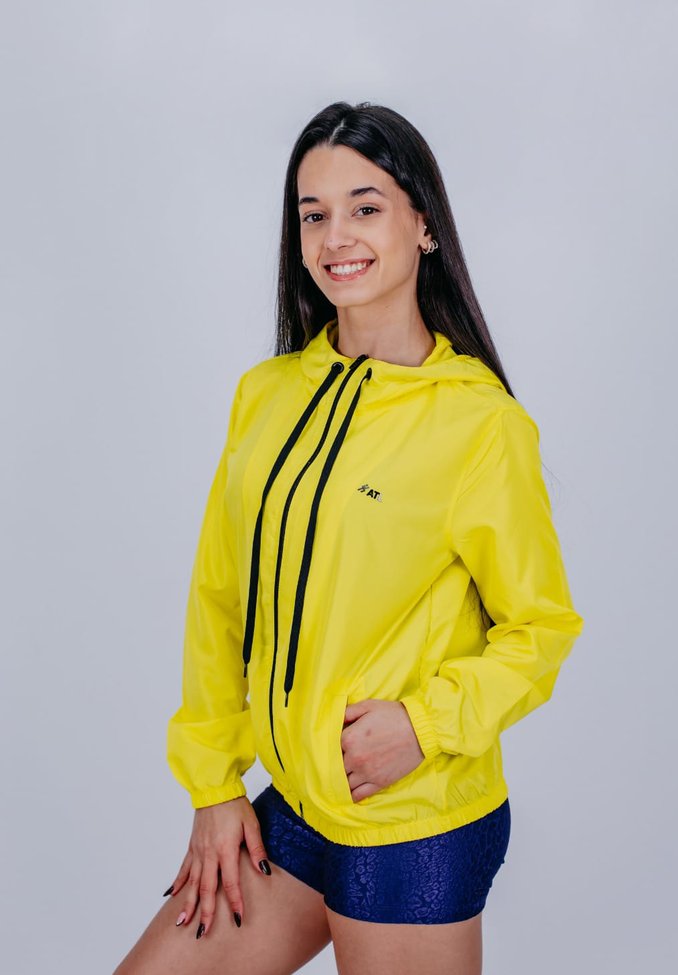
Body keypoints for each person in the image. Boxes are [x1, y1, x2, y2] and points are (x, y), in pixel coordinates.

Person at [113, 101, 584, 975]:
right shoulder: (266, 394)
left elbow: (541, 629)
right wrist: (214, 786)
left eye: (365, 207)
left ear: (424, 225)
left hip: (411, 821)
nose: (336, 237)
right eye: (313, 214)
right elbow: (220, 598)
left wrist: (422, 723)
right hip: (295, 806)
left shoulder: (479, 424)